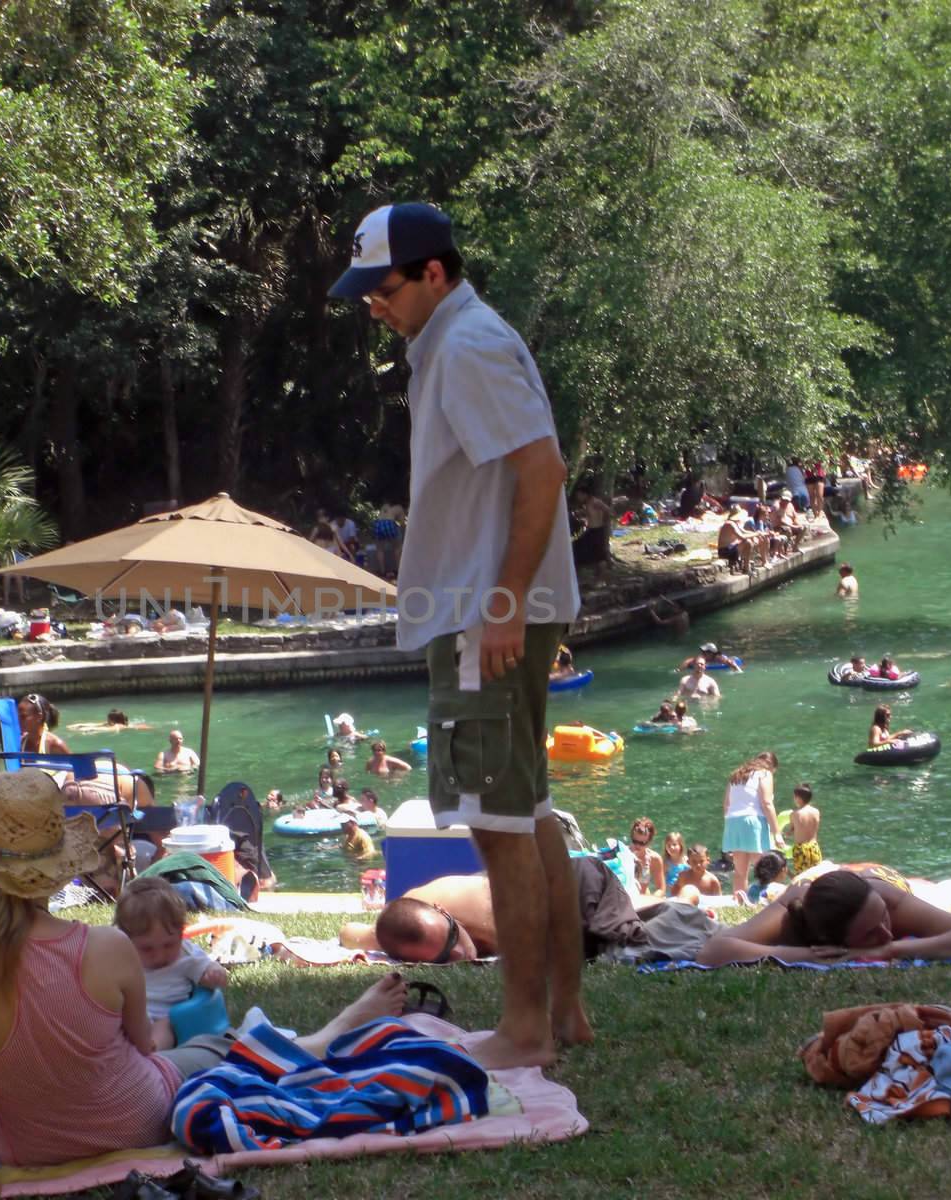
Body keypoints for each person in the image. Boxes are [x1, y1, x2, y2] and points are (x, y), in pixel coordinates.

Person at [0, 771, 410, 1197]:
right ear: (58, 864)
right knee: (220, 1046)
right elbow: (142, 1050)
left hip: (18, 1142)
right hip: (135, 1116)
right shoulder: (107, 948)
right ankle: (323, 1036)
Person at [331, 200, 589, 1067]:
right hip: (497, 606)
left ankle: (524, 1031)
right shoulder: (455, 340)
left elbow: (543, 469)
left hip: (487, 611)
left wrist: (504, 603)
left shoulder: (468, 345)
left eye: (385, 286)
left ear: (433, 273)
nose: (374, 302)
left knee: (495, 821)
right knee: (529, 810)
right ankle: (563, 1013)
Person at [698, 866, 951, 966]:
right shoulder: (794, 907)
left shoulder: (888, 902)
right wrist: (809, 955)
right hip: (831, 886)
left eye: (882, 920)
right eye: (870, 933)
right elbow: (713, 951)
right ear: (832, 938)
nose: (885, 932)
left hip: (885, 882)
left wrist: (892, 949)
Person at [113, 878, 230, 1051]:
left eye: (169, 945)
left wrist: (214, 975)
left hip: (162, 1017)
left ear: (181, 933)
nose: (159, 955)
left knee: (165, 1026)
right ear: (126, 938)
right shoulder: (120, 953)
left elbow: (210, 968)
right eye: (147, 948)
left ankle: (152, 1052)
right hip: (127, 1014)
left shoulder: (185, 954)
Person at [722, 752, 785, 886]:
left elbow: (727, 804)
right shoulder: (764, 774)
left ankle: (740, 902)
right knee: (763, 868)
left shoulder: (736, 775)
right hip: (753, 821)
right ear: (772, 766)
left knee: (740, 872)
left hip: (732, 822)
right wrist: (777, 833)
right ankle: (763, 900)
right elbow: (766, 803)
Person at [788, 783, 822, 875]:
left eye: (794, 797)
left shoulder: (795, 814)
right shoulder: (816, 812)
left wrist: (786, 834)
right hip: (814, 847)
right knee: (816, 876)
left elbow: (791, 830)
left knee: (802, 877)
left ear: (798, 798)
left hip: (801, 849)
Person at [627, 816, 664, 897]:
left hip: (643, 901)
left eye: (642, 843)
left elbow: (661, 888)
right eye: (635, 841)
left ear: (650, 841)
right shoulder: (622, 854)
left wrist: (650, 900)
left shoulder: (654, 859)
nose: (637, 845)